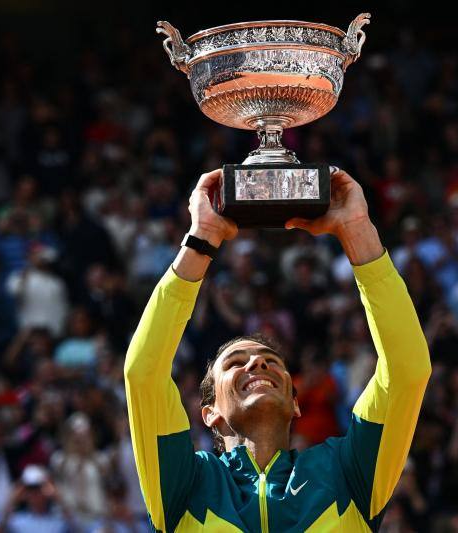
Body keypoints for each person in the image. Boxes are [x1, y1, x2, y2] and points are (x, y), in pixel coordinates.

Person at [125, 169, 432, 531]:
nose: (257, 362)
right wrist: (201, 240)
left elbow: (407, 370)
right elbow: (143, 373)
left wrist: (358, 231)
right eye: (236, 363)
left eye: (272, 362)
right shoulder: (185, 483)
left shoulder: (347, 472)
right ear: (209, 413)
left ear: (295, 403)